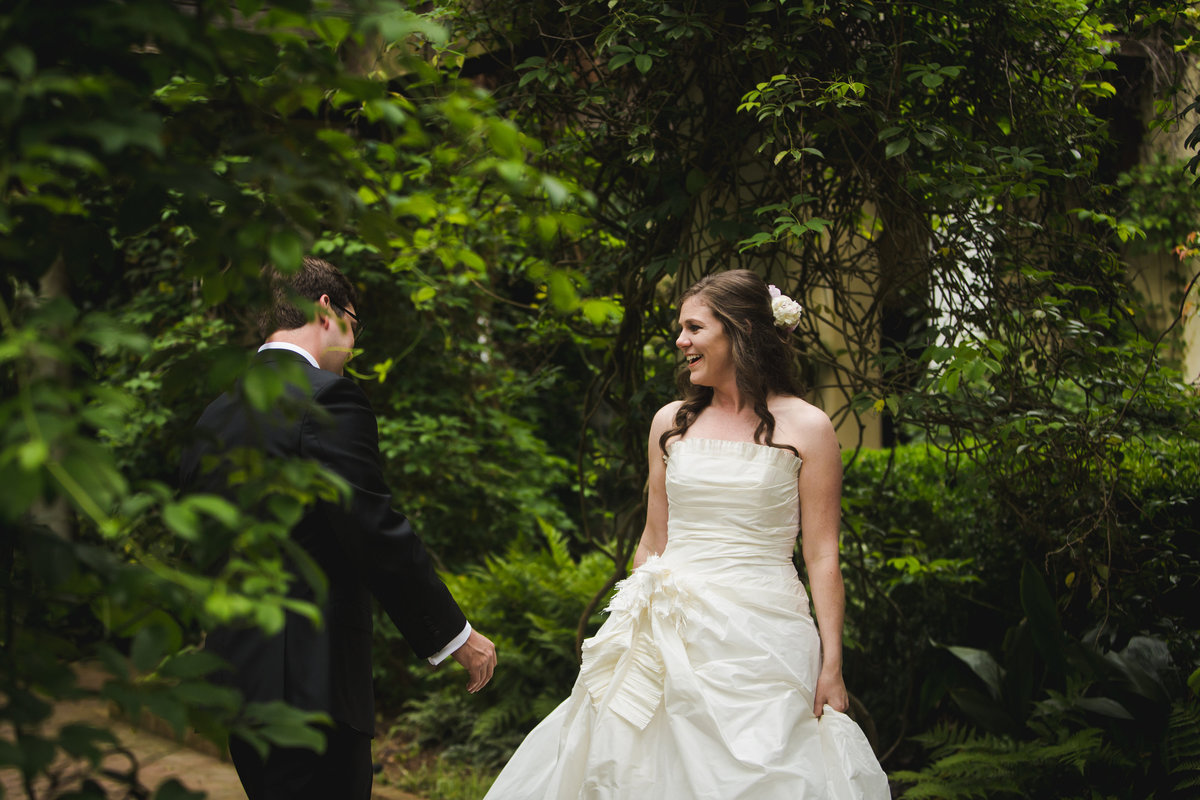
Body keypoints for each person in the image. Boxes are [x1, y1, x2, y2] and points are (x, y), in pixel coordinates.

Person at [483, 269, 888, 799]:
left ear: (739, 330)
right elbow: (653, 539)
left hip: (763, 636)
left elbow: (821, 553)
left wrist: (832, 664)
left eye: (694, 328)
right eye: (681, 329)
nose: (681, 342)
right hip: (669, 627)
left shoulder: (809, 427)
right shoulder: (670, 423)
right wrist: (631, 629)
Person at [179, 256, 496, 800]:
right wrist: (454, 635)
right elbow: (374, 530)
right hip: (313, 688)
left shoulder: (217, 414)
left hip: (238, 682)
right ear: (326, 309)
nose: (354, 343)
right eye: (356, 324)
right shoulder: (327, 398)